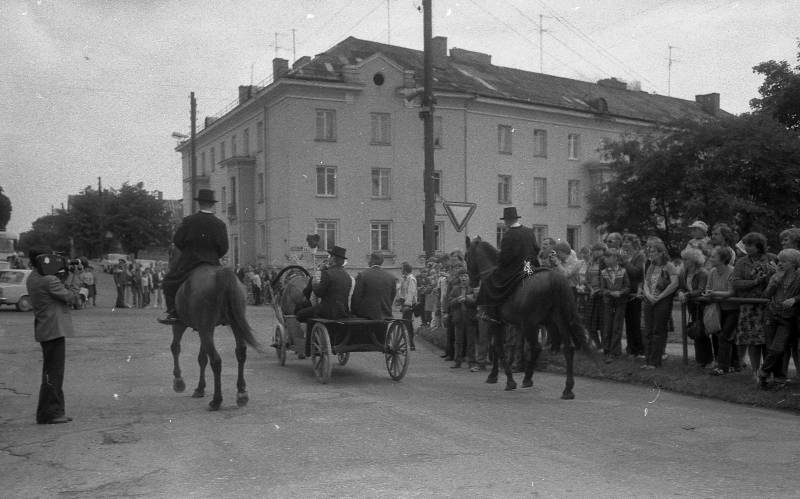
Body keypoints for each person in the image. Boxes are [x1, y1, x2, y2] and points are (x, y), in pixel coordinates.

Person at [159, 189, 229, 325]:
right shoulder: (220, 224)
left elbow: (177, 240)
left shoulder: (189, 221)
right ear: (212, 204)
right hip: (212, 262)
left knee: (168, 282)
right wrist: (213, 255)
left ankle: (173, 313)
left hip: (190, 262)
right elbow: (224, 248)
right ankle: (226, 313)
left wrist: (188, 249)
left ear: (199, 203)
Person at [26, 247, 80, 424]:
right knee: (55, 373)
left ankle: (49, 411)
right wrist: (75, 276)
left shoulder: (33, 278)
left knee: (50, 372)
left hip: (44, 328)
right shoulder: (49, 280)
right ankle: (52, 412)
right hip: (54, 329)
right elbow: (71, 297)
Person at [478, 206, 540, 320]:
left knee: (489, 280)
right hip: (529, 267)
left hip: (515, 269)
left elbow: (504, 258)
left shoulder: (508, 234)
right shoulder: (529, 231)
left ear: (507, 220)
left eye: (505, 221)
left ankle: (491, 313)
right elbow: (536, 249)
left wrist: (500, 265)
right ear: (516, 218)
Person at [732, 232, 775, 378]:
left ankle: (768, 371)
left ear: (759, 246)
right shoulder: (741, 262)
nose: (747, 248)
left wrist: (770, 276)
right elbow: (736, 282)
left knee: (767, 340)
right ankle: (756, 371)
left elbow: (778, 280)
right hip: (748, 307)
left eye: (751, 245)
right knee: (752, 341)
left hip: (767, 305)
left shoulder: (771, 259)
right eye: (746, 245)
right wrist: (755, 282)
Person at [758, 248, 800, 388]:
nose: (780, 264)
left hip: (787, 317)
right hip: (771, 314)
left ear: (794, 263)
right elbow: (766, 295)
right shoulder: (775, 275)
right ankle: (778, 379)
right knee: (772, 348)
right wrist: (774, 281)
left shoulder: (799, 276)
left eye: (784, 261)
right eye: (779, 261)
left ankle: (763, 372)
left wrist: (794, 299)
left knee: (778, 348)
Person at [641, 240, 679, 369]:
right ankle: (647, 360)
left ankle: (655, 362)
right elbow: (645, 283)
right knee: (648, 331)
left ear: (661, 253)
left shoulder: (669, 266)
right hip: (649, 300)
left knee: (658, 331)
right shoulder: (650, 266)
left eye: (653, 251)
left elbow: (674, 284)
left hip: (662, 302)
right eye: (649, 251)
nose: (650, 254)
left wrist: (660, 297)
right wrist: (649, 295)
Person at [704, 246, 738, 375]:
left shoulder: (732, 272)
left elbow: (731, 292)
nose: (710, 258)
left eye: (713, 256)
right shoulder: (712, 271)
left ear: (723, 259)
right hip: (719, 309)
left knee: (724, 336)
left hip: (732, 309)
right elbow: (708, 288)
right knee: (725, 337)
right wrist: (709, 293)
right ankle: (735, 364)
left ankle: (722, 367)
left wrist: (714, 293)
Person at [296, 246, 353, 322]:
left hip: (327, 311)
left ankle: (309, 331)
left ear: (333, 258)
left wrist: (314, 284)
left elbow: (319, 293)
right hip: (342, 312)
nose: (329, 258)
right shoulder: (347, 276)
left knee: (300, 314)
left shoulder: (327, 273)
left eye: (330, 256)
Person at [677, 247, 711, 367]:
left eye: (686, 259)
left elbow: (701, 290)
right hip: (692, 306)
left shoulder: (703, 273)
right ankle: (700, 360)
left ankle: (707, 360)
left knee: (703, 332)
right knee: (696, 331)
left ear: (694, 260)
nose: (684, 261)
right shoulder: (684, 273)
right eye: (683, 259)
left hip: (703, 306)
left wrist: (687, 294)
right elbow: (681, 287)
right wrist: (681, 292)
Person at [600, 248, 630, 362]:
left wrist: (620, 292)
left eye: (608, 257)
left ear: (616, 258)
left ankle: (615, 351)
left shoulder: (623, 271)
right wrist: (610, 293)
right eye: (605, 257)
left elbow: (628, 286)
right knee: (607, 326)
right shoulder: (603, 272)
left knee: (617, 326)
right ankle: (607, 350)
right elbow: (602, 289)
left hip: (620, 302)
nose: (606, 259)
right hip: (608, 302)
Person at [351, 252, 397, 320]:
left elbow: (356, 297)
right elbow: (392, 296)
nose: (368, 261)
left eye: (369, 259)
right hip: (385, 315)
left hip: (366, 316)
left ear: (372, 260)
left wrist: (354, 312)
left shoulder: (363, 275)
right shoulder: (391, 277)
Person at [447, 268, 477, 369]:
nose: (463, 278)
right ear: (459, 278)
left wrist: (467, 299)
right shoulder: (455, 289)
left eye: (465, 276)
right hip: (459, 319)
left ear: (468, 277)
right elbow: (450, 302)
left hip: (470, 318)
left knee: (471, 341)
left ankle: (471, 362)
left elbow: (476, 301)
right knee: (458, 341)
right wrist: (457, 300)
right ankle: (457, 361)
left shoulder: (472, 288)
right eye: (461, 276)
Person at [621, 233, 645, 357]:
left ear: (634, 243)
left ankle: (639, 348)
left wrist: (626, 262)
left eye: (627, 241)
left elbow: (637, 273)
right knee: (628, 321)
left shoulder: (639, 256)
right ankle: (631, 348)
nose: (625, 243)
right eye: (624, 241)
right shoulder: (624, 255)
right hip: (626, 292)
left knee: (635, 322)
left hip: (635, 292)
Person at [396, 262, 418, 350]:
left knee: (407, 324)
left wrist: (407, 305)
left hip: (409, 305)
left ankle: (410, 344)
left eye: (401, 268)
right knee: (408, 324)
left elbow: (411, 292)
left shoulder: (411, 279)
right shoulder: (405, 278)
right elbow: (401, 290)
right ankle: (411, 344)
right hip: (405, 303)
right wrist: (400, 299)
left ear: (405, 270)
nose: (401, 270)